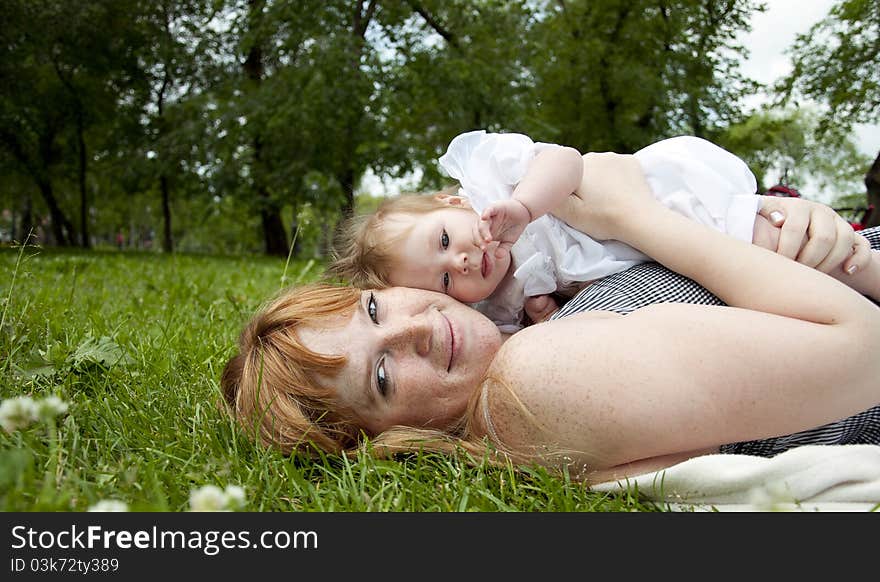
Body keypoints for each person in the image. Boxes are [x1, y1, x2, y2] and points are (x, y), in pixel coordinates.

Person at [221, 156, 880, 484]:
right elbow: (864, 349)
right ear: (387, 438)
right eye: (384, 376)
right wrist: (637, 217)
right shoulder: (536, 384)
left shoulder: (523, 323)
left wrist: (789, 225)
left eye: (373, 311)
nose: (412, 328)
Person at [328, 130, 879, 332]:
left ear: (451, 202)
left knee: (784, 247)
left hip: (671, 209)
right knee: (774, 290)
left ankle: (865, 278)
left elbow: (566, 160)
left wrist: (523, 205)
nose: (464, 263)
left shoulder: (496, 183)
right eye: (446, 282)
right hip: (650, 260)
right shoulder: (496, 306)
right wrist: (539, 315)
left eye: (445, 241)